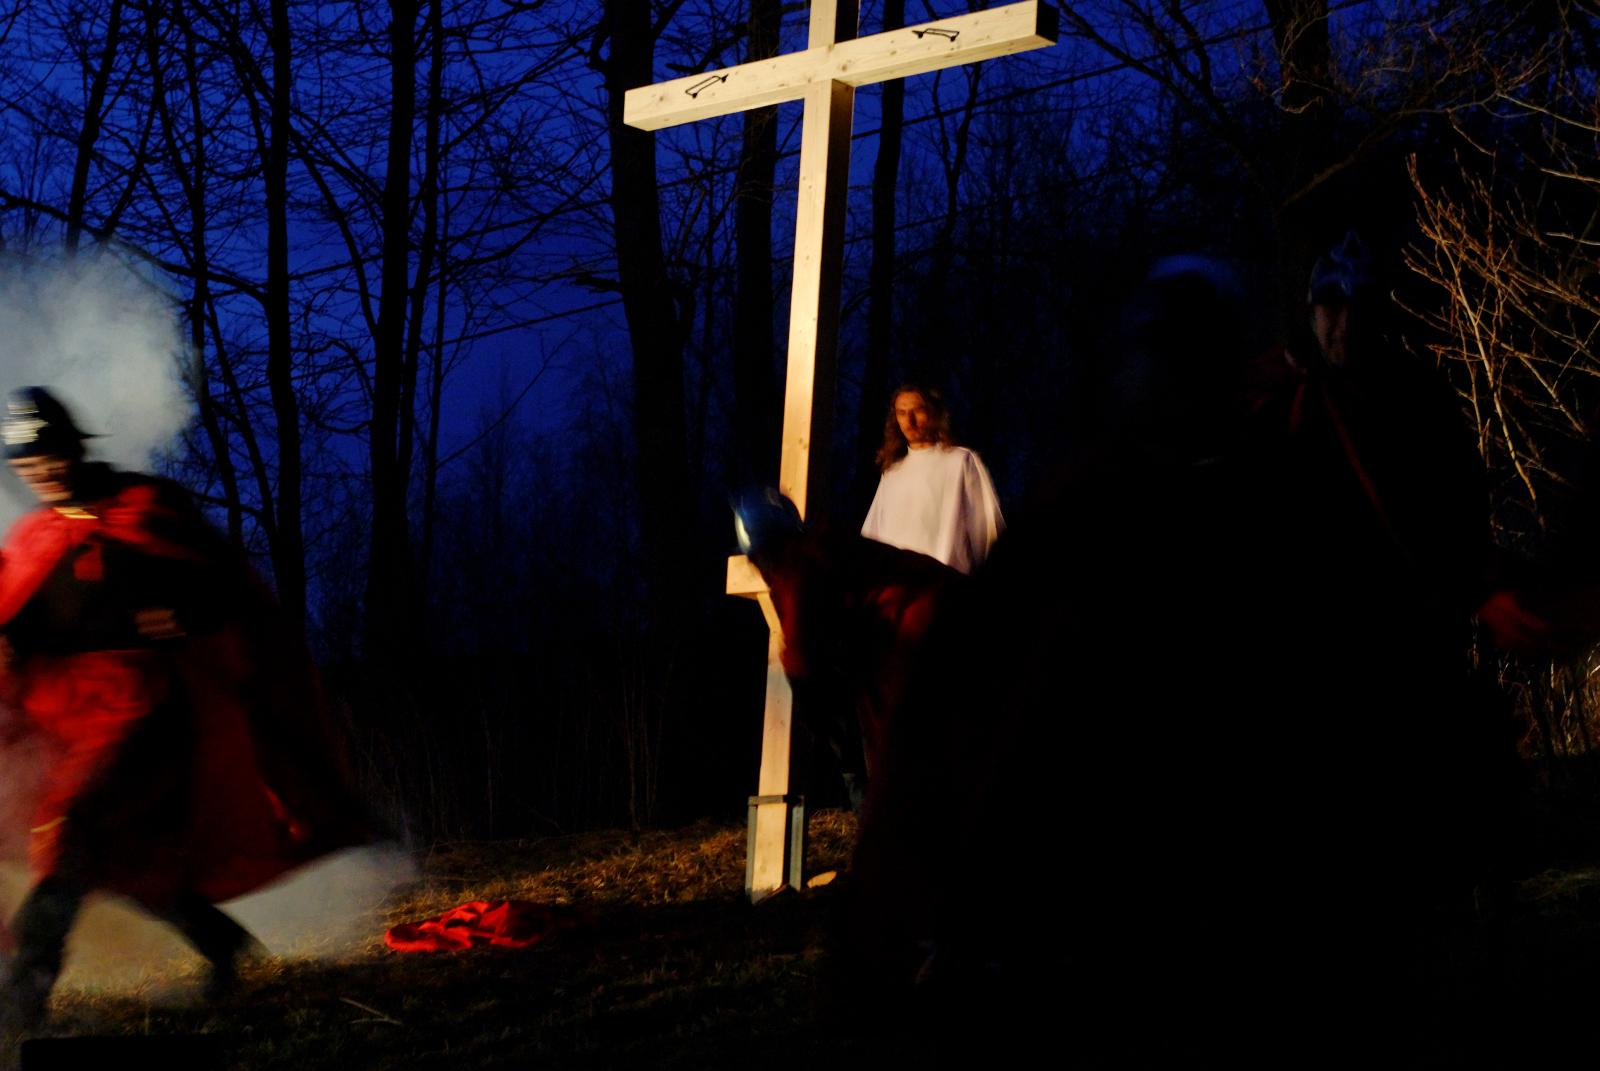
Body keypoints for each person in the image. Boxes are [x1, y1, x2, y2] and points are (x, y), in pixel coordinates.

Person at [0, 387, 365, 1035]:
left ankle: (19, 999)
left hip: (145, 711)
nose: (41, 469)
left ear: (75, 445)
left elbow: (222, 585)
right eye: (26, 461)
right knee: (131, 864)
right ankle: (223, 943)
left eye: (49, 451)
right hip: (72, 718)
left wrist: (187, 614)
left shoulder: (144, 508)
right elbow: (20, 625)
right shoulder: (35, 538)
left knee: (74, 831)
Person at [860, 386, 1003, 574]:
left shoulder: (960, 462)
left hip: (944, 582)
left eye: (917, 411)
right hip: (899, 583)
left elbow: (986, 533)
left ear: (933, 413)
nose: (909, 420)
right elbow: (873, 539)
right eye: (902, 413)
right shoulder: (893, 472)